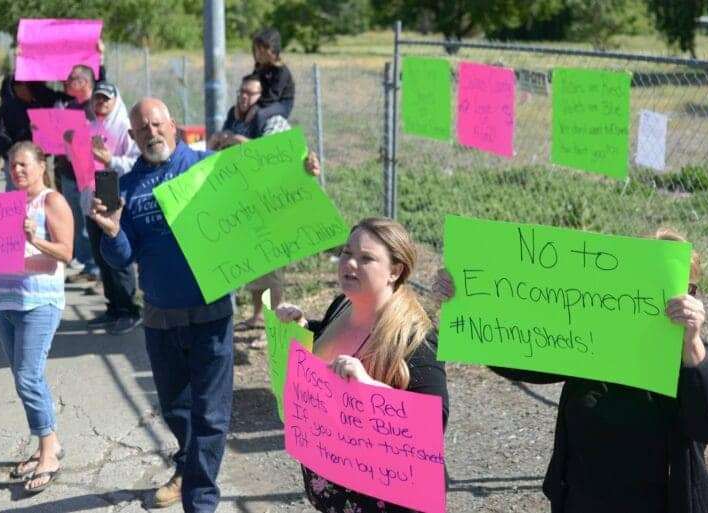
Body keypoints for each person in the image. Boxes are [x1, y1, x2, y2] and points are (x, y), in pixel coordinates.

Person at [88, 97, 320, 512]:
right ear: (132, 136)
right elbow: (123, 257)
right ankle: (188, 465)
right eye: (143, 130)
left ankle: (200, 498)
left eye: (158, 125)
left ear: (173, 126)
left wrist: (299, 174)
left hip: (211, 314)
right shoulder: (126, 187)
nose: (151, 133)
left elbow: (268, 191)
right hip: (160, 317)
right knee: (176, 409)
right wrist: (111, 231)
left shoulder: (210, 167)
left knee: (211, 415)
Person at [430, 228, 708, 513]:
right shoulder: (595, 339)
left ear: (692, 294)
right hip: (583, 499)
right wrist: (464, 302)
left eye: (679, 288)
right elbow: (520, 359)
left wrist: (692, 345)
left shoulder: (693, 356)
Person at [276, 217, 449, 513]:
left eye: (366, 258)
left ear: (394, 271)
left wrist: (369, 388)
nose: (350, 264)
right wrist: (301, 326)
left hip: (388, 499)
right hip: (336, 487)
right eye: (346, 253)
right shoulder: (342, 305)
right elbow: (328, 350)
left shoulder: (414, 337)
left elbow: (433, 421)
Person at [0, 141, 74, 494]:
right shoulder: (8, 204)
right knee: (25, 380)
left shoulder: (51, 201)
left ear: (41, 165)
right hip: (5, 303)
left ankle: (49, 452)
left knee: (28, 378)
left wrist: (35, 238)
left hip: (38, 303)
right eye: (12, 165)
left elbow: (64, 253)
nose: (16, 170)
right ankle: (47, 444)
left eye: (23, 164)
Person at [209, 74, 293, 340]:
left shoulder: (272, 120)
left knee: (271, 268)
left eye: (251, 93)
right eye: (241, 91)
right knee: (253, 265)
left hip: (270, 202)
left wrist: (238, 141)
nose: (244, 97)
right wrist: (221, 139)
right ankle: (257, 316)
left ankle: (275, 329)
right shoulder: (235, 116)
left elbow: (270, 155)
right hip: (243, 199)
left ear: (262, 97)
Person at [83, 81, 142, 334]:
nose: (101, 103)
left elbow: (137, 162)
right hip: (92, 195)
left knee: (118, 257)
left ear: (116, 100)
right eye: (97, 98)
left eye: (106, 99)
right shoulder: (91, 126)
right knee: (100, 254)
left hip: (116, 195)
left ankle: (129, 310)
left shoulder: (126, 126)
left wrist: (111, 160)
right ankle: (113, 308)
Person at [54, 64, 100, 285]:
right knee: (77, 221)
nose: (66, 82)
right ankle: (86, 264)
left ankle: (97, 268)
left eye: (71, 79)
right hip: (68, 173)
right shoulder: (68, 106)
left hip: (90, 175)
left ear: (84, 82)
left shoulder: (98, 106)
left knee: (92, 221)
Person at [0, 76, 70, 191]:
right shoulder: (7, 107)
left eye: (29, 87)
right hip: (15, 159)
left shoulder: (40, 105)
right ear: (16, 88)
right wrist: (13, 152)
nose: (26, 90)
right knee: (15, 194)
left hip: (36, 159)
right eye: (21, 87)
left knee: (37, 195)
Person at [250, 28, 295, 135]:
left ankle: (255, 142)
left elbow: (273, 95)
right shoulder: (259, 68)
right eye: (256, 50)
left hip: (281, 103)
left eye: (262, 51)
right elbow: (252, 86)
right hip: (263, 100)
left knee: (260, 114)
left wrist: (256, 106)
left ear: (273, 52)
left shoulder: (281, 71)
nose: (258, 54)